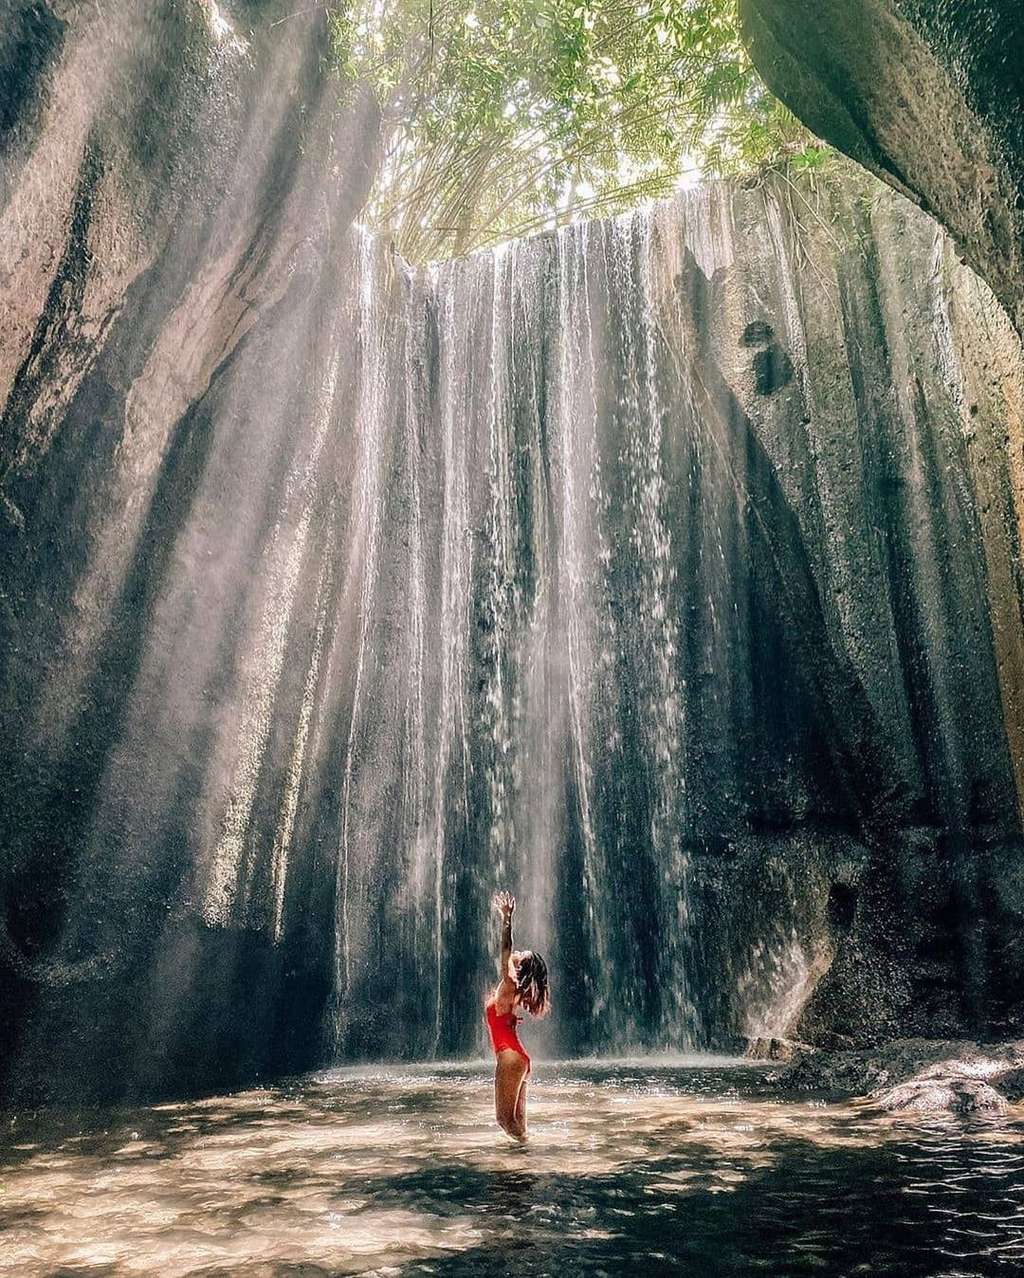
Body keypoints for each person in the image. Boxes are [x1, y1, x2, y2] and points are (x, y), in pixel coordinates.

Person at [485, 890, 550, 1142]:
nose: (516, 953)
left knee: (504, 1120)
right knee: (518, 1125)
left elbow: (505, 949)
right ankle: (524, 1168)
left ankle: (524, 1161)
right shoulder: (512, 991)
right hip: (518, 1058)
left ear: (521, 967)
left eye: (521, 955)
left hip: (511, 1057)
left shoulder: (510, 983)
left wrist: (507, 919)